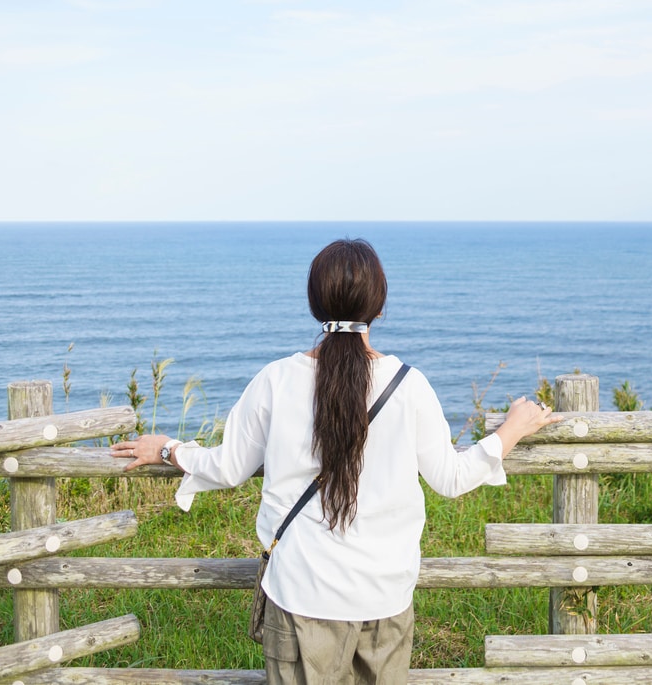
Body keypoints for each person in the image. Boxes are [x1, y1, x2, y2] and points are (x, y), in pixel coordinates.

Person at [112, 238, 561, 684]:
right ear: (379, 307)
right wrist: (511, 430)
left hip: (300, 594)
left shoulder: (276, 380)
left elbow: (228, 467)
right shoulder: (409, 385)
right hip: (384, 597)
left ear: (313, 303)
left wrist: (169, 449)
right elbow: (451, 476)